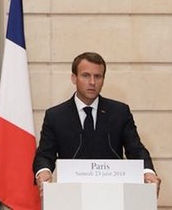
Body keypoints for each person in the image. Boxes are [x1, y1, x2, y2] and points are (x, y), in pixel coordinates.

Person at [32, 52, 161, 193]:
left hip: (113, 193)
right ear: (74, 78)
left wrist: (147, 172)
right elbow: (45, 154)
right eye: (86, 75)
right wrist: (43, 171)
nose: (92, 82)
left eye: (98, 76)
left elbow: (135, 149)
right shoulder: (56, 116)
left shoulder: (119, 112)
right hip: (71, 194)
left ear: (103, 79)